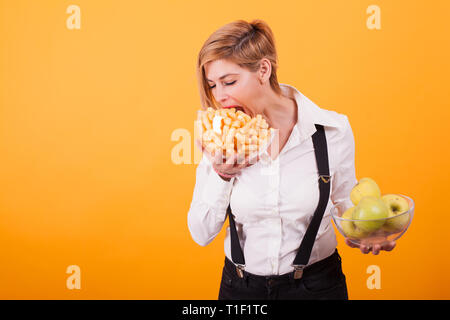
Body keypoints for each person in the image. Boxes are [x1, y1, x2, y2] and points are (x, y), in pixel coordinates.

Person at [187, 19, 396, 300]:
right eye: (213, 85)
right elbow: (201, 233)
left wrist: (364, 233)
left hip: (318, 287)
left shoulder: (331, 130)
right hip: (241, 290)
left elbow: (345, 202)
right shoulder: (221, 138)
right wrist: (221, 175)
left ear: (263, 69)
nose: (220, 96)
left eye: (230, 82)